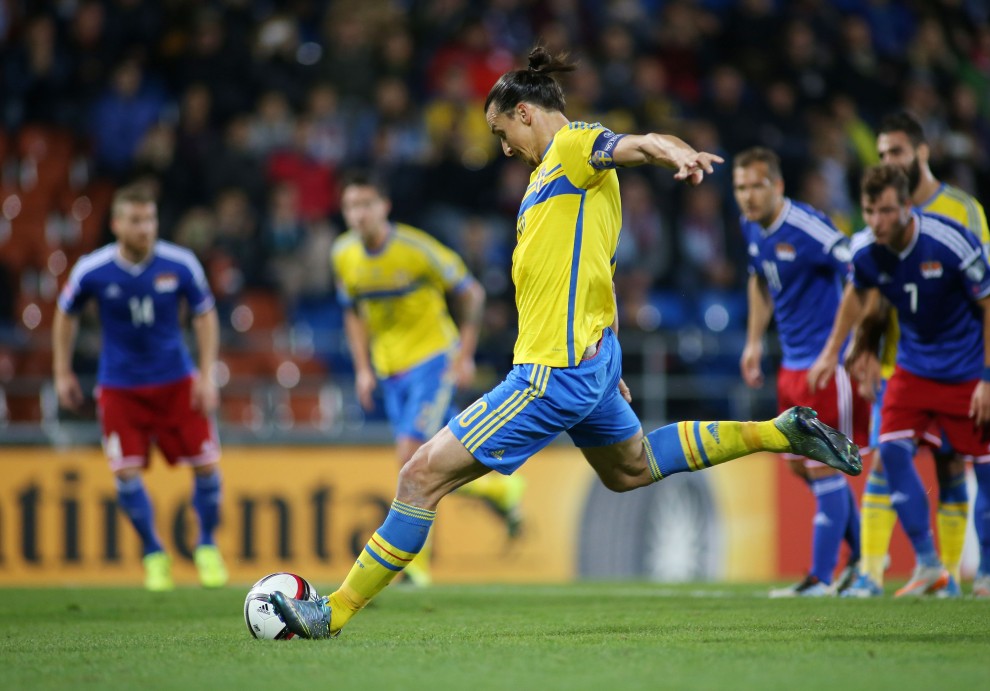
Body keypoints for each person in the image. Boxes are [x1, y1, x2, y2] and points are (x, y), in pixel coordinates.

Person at [270, 47, 861, 639]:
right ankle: (779, 430)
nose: (504, 148)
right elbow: (592, 270)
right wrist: (607, 358)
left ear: (525, 113)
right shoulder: (547, 182)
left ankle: (332, 613)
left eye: (503, 132)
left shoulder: (574, 149)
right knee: (631, 467)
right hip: (591, 359)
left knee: (419, 476)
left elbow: (634, 143)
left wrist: (671, 149)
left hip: (551, 372)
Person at [807, 164, 990, 598]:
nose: (876, 222)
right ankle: (929, 565)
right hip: (913, 368)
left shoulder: (949, 240)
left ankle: (988, 578)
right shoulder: (865, 250)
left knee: (987, 468)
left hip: (969, 370)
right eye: (868, 211)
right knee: (892, 450)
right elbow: (857, 295)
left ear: (907, 207)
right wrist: (838, 351)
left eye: (884, 211)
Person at [331, 171, 526, 586]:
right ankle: (500, 492)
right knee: (442, 460)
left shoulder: (416, 250)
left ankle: (411, 564)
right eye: (351, 206)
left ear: (385, 206)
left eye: (366, 204)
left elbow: (471, 293)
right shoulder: (343, 255)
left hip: (433, 362)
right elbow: (352, 312)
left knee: (410, 456)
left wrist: (466, 355)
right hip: (390, 372)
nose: (359, 214)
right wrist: (363, 369)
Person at [52, 184, 227, 591]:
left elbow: (205, 315)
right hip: (119, 387)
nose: (144, 228)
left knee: (205, 465)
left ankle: (206, 545)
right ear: (116, 224)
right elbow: (65, 316)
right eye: (135, 220)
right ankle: (153, 553)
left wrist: (206, 373)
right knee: (126, 473)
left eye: (149, 219)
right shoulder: (92, 270)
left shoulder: (180, 263)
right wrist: (61, 372)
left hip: (176, 381)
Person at [734, 147, 869, 597]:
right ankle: (862, 560)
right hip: (791, 367)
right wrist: (754, 341)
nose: (748, 196)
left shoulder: (809, 227)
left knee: (824, 469)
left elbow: (860, 272)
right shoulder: (751, 226)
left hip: (828, 368)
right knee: (800, 469)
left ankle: (820, 578)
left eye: (756, 185)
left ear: (778, 186)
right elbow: (759, 278)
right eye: (740, 187)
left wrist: (841, 347)